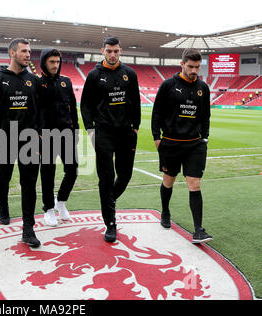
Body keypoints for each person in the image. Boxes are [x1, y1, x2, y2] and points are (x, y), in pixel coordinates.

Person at [81, 36, 141, 243]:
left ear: (120, 51)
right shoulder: (94, 75)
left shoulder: (129, 74)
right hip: (103, 133)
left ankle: (108, 201)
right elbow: (86, 104)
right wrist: (90, 130)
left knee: (124, 176)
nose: (112, 54)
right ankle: (111, 224)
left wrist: (136, 128)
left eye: (115, 51)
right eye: (109, 51)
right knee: (106, 178)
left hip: (126, 133)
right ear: (103, 51)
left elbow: (136, 102)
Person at [0, 38, 42, 247]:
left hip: (29, 141)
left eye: (29, 51)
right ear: (12, 53)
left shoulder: (34, 80)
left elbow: (39, 111)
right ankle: (3, 206)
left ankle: (28, 229)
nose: (28, 55)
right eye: (24, 51)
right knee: (3, 179)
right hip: (4, 139)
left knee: (29, 185)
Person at [151, 48, 212, 244]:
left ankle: (198, 230)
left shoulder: (203, 87)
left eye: (197, 67)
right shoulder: (168, 85)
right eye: (190, 66)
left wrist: (205, 138)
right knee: (168, 180)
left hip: (194, 145)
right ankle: (165, 212)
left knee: (194, 183)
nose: (194, 70)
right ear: (182, 64)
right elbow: (157, 112)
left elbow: (205, 116)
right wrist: (156, 137)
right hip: (171, 143)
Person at [38, 48, 78, 226]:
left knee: (72, 170)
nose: (55, 65)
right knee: (48, 173)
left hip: (67, 133)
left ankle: (60, 201)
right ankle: (48, 209)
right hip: (46, 135)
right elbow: (34, 111)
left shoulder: (66, 82)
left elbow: (73, 108)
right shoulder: (38, 84)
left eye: (57, 62)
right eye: (51, 62)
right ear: (44, 63)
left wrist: (75, 130)